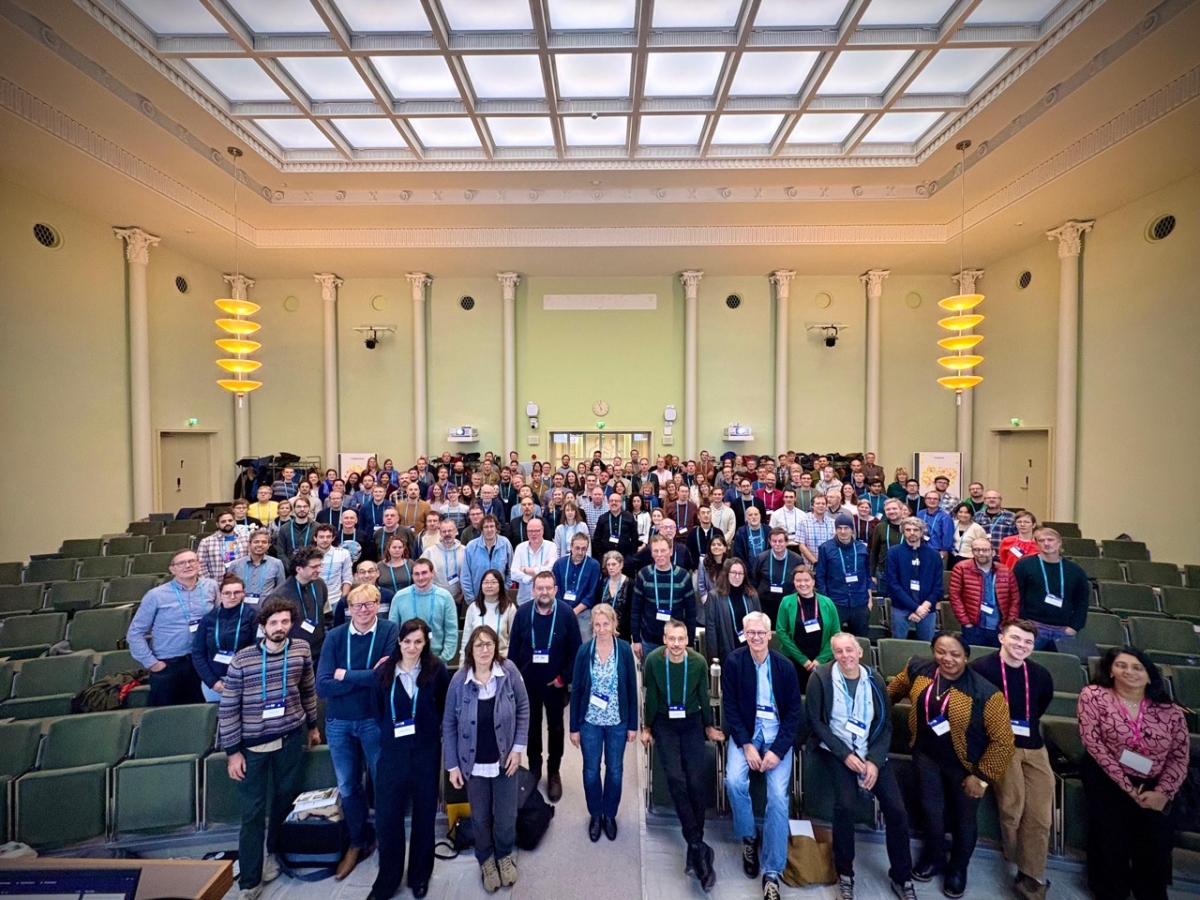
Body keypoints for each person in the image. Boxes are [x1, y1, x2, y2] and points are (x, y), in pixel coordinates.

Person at [887, 632, 1015, 898]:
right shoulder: (918, 669)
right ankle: (933, 856)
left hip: (966, 764)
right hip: (926, 756)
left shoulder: (985, 692)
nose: (947, 659)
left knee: (963, 818)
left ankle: (958, 868)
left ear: (966, 656)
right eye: (941, 652)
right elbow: (893, 690)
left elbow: (1003, 741)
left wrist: (981, 777)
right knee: (931, 811)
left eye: (955, 654)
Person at [218, 596, 321, 900]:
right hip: (253, 747)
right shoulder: (243, 659)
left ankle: (275, 853)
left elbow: (308, 690)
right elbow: (228, 709)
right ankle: (250, 880)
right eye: (273, 623)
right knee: (252, 813)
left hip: (290, 738)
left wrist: (313, 726)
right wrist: (233, 752)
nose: (280, 628)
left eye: (285, 622)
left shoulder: (301, 649)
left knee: (283, 801)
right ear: (262, 626)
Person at [807, 633, 916, 900]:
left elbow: (885, 724)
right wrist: (845, 755)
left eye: (849, 650)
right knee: (845, 805)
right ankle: (845, 872)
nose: (844, 656)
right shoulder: (820, 678)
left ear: (860, 653)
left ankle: (902, 877)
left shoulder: (875, 680)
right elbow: (817, 722)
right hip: (837, 751)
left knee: (897, 810)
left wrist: (874, 762)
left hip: (871, 754)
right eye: (838, 651)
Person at [1078, 646, 1189, 900]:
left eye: (1137, 667)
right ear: (1111, 670)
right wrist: (1128, 787)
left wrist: (1162, 792)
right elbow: (1093, 743)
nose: (1129, 672)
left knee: (1155, 840)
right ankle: (1110, 891)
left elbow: (1179, 755)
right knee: (1110, 833)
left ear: (1150, 676)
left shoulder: (1170, 710)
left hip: (1156, 780)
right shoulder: (1094, 695)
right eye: (1121, 666)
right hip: (1105, 774)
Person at [316, 583, 398, 879]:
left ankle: (388, 841)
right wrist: (365, 676)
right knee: (348, 785)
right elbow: (322, 685)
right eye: (357, 606)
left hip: (373, 720)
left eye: (369, 604)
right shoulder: (336, 637)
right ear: (348, 609)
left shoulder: (389, 631)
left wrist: (345, 675)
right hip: (338, 722)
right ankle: (357, 841)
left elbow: (384, 677)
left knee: (382, 782)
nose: (363, 610)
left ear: (379, 604)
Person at [969, 620, 1055, 900]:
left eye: (1028, 642)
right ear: (1001, 637)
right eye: (1016, 639)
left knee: (1041, 815)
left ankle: (1031, 877)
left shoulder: (1040, 674)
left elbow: (1040, 706)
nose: (1021, 645)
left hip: (1034, 745)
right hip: (1000, 745)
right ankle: (1021, 865)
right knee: (1012, 808)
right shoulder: (982, 669)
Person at [722, 611, 804, 900]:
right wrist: (746, 745)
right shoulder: (734, 662)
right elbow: (729, 708)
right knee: (733, 781)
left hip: (777, 733)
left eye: (761, 633)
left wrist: (778, 751)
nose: (756, 638)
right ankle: (748, 836)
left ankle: (772, 871)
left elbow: (794, 714)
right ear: (745, 634)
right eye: (750, 633)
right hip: (746, 733)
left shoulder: (784, 667)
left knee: (779, 799)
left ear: (770, 635)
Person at [444, 626, 530, 894]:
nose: (484, 650)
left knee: (506, 816)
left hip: (505, 760)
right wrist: (452, 765)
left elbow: (524, 709)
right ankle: (486, 859)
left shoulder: (510, 672)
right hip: (473, 764)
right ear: (470, 648)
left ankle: (504, 855)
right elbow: (448, 724)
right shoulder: (459, 680)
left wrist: (518, 748)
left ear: (496, 647)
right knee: (480, 818)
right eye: (479, 645)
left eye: (489, 644)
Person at [641, 618, 724, 892]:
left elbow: (704, 695)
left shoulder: (698, 662)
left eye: (681, 639)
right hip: (665, 722)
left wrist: (709, 726)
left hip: (691, 721)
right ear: (664, 639)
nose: (676, 644)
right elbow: (650, 695)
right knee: (676, 778)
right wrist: (647, 726)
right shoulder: (653, 660)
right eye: (671, 639)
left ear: (687, 640)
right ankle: (699, 846)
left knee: (696, 780)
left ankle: (694, 847)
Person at [369, 618, 449, 900]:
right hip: (392, 754)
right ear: (399, 642)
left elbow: (441, 706)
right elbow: (377, 710)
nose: (412, 647)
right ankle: (388, 879)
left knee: (425, 816)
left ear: (425, 643)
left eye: (418, 641)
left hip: (426, 753)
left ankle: (419, 876)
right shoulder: (383, 672)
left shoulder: (436, 670)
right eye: (407, 641)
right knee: (388, 818)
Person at [507, 571, 582, 802]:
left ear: (555, 590)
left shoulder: (567, 614)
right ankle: (535, 768)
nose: (544, 592)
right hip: (527, 685)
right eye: (540, 588)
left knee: (556, 728)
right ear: (533, 590)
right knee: (531, 727)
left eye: (549, 588)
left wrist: (563, 679)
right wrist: (516, 681)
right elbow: (513, 650)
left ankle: (554, 771)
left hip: (555, 684)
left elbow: (576, 651)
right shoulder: (522, 613)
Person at [569, 603, 638, 842]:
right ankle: (595, 814)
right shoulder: (584, 652)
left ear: (614, 625)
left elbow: (631, 688)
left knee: (615, 771)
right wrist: (574, 728)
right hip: (590, 721)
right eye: (597, 624)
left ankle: (610, 814)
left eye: (605, 624)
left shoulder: (625, 650)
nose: (601, 628)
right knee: (590, 771)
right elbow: (576, 690)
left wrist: (632, 725)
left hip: (618, 721)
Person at [127, 548, 217, 706]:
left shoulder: (211, 586)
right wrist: (153, 664)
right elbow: (135, 633)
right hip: (169, 665)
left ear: (199, 564)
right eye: (181, 563)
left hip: (202, 662)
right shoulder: (156, 595)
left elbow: (220, 619)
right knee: (165, 717)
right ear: (172, 569)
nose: (187, 565)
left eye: (191, 561)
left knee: (199, 714)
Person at [1012, 527, 1090, 649]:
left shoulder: (1075, 570)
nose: (1046, 543)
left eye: (1050, 540)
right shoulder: (1024, 565)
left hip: (1063, 630)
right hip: (1033, 627)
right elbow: (1016, 596)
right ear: (1036, 544)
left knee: (1061, 667)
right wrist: (1024, 622)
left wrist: (1074, 627)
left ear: (1059, 543)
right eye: (1041, 540)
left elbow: (1082, 602)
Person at [192, 574, 260, 702]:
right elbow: (198, 653)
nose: (232, 597)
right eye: (227, 593)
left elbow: (257, 649)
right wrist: (212, 681)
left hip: (246, 680)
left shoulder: (252, 616)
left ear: (244, 593)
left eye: (237, 592)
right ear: (220, 594)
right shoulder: (209, 619)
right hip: (216, 682)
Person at [631, 534, 697, 659]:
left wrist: (690, 641)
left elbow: (691, 613)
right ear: (651, 553)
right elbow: (635, 610)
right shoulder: (644, 575)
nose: (659, 554)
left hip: (676, 640)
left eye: (663, 550)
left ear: (671, 551)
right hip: (649, 640)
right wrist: (636, 639)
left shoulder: (683, 576)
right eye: (656, 551)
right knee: (651, 677)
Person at [775, 567, 838, 690]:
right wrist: (803, 660)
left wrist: (821, 659)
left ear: (813, 582)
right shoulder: (786, 602)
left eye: (806, 580)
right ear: (794, 582)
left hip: (821, 662)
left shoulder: (828, 602)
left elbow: (836, 633)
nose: (802, 584)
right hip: (793, 660)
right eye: (798, 580)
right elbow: (781, 632)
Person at [949, 538, 1020, 647]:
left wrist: (1009, 623)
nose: (981, 553)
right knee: (974, 658)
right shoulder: (961, 568)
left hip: (999, 627)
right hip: (973, 626)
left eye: (985, 550)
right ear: (972, 552)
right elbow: (955, 596)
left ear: (993, 552)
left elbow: (1015, 599)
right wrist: (965, 621)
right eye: (977, 550)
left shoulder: (1005, 571)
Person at [884, 517, 942, 641]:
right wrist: (915, 608)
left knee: (927, 647)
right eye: (908, 530)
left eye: (916, 530)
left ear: (922, 532)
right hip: (901, 607)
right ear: (903, 532)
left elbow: (938, 586)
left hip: (926, 609)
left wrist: (923, 607)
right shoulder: (893, 553)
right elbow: (893, 584)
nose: (912, 533)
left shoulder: (934, 555)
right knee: (898, 645)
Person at [389, 559, 458, 662]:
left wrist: (443, 658)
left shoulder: (445, 597)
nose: (420, 577)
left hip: (436, 658)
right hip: (407, 658)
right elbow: (393, 630)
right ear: (412, 576)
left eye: (424, 573)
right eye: (416, 574)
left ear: (432, 573)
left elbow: (451, 631)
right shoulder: (400, 597)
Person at [815, 514, 872, 636]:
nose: (843, 531)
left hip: (860, 602)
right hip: (836, 602)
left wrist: (870, 600)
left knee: (860, 640)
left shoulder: (862, 548)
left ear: (852, 529)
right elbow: (820, 577)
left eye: (846, 528)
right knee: (832, 639)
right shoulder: (825, 548)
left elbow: (867, 575)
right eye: (839, 528)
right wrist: (825, 603)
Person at [272, 547, 330, 661]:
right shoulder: (280, 594)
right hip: (292, 654)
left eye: (320, 566)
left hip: (319, 650)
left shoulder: (320, 584)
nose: (319, 570)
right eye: (314, 567)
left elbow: (327, 614)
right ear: (299, 569)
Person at [703, 558, 762, 663]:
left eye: (740, 573)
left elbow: (760, 624)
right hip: (726, 652)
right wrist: (713, 659)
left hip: (750, 651)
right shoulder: (714, 597)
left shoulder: (752, 595)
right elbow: (711, 631)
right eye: (733, 573)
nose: (737, 577)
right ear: (726, 574)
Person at [462, 569, 517, 664]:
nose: (489, 586)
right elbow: (466, 638)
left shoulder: (510, 608)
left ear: (500, 585)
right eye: (486, 582)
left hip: (502, 660)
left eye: (494, 582)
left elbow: (514, 640)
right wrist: (463, 662)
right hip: (478, 661)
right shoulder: (473, 607)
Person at [553, 533, 601, 639]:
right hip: (561, 611)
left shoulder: (594, 565)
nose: (580, 552)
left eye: (583, 549)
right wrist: (565, 611)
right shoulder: (559, 564)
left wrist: (574, 611)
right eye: (577, 548)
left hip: (583, 612)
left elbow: (591, 594)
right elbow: (556, 590)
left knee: (584, 646)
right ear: (571, 546)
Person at [751, 529, 803, 622]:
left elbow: (800, 581)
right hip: (765, 605)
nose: (777, 544)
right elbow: (754, 580)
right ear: (769, 542)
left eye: (781, 541)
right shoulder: (761, 558)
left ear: (787, 542)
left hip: (788, 604)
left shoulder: (797, 560)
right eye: (774, 541)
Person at [229, 530, 285, 605]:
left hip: (266, 609)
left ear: (269, 545)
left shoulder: (276, 564)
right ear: (249, 544)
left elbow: (281, 590)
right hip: (240, 609)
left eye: (264, 542)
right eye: (256, 542)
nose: (260, 545)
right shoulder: (235, 565)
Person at [511, 518, 558, 604]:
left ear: (543, 530)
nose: (533, 534)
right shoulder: (520, 548)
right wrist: (530, 578)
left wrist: (526, 570)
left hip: (546, 599)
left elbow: (550, 569)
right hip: (524, 600)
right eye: (530, 531)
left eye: (537, 530)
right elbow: (513, 573)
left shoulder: (551, 546)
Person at [421, 518, 466, 605]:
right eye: (444, 531)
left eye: (450, 531)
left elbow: (468, 575)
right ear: (440, 532)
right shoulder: (429, 552)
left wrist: (463, 595)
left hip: (458, 599)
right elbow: (422, 574)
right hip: (435, 598)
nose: (447, 534)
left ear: (456, 531)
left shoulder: (465, 550)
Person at [198, 509, 251, 581]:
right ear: (217, 524)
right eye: (223, 521)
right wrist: (209, 583)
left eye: (230, 520)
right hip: (217, 583)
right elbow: (201, 566)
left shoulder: (246, 538)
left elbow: (251, 560)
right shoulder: (206, 542)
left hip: (242, 581)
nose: (227, 523)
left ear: (234, 522)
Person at [597, 550, 633, 642]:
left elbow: (630, 611)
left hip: (622, 631)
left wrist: (616, 627)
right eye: (608, 565)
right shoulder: (602, 583)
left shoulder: (630, 584)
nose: (611, 568)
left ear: (621, 565)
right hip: (603, 629)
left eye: (614, 564)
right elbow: (597, 605)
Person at [313, 524, 353, 604]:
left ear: (333, 538)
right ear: (315, 538)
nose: (325, 540)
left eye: (328, 537)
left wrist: (343, 600)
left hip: (336, 600)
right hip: (314, 600)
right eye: (321, 537)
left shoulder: (343, 554)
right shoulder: (308, 555)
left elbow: (347, 578)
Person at [797, 494, 835, 566]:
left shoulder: (832, 523)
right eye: (818, 503)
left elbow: (835, 545)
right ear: (812, 506)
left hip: (829, 564)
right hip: (810, 565)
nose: (821, 505)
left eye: (823, 504)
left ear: (826, 506)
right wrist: (815, 562)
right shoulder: (803, 522)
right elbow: (801, 546)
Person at [917, 492, 954, 563]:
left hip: (937, 551)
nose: (932, 500)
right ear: (925, 500)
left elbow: (947, 536)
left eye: (935, 499)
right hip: (920, 549)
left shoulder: (945, 517)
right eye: (929, 498)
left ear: (939, 501)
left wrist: (943, 551)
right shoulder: (920, 514)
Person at [948, 503, 987, 568]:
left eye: (966, 512)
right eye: (960, 512)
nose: (963, 515)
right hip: (952, 557)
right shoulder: (953, 524)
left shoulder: (977, 528)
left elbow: (983, 545)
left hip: (969, 558)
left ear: (971, 514)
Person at [695, 534, 729, 605]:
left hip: (727, 601)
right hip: (709, 601)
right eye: (713, 545)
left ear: (725, 548)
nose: (716, 547)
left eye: (719, 544)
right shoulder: (703, 563)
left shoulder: (729, 564)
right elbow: (701, 585)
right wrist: (707, 601)